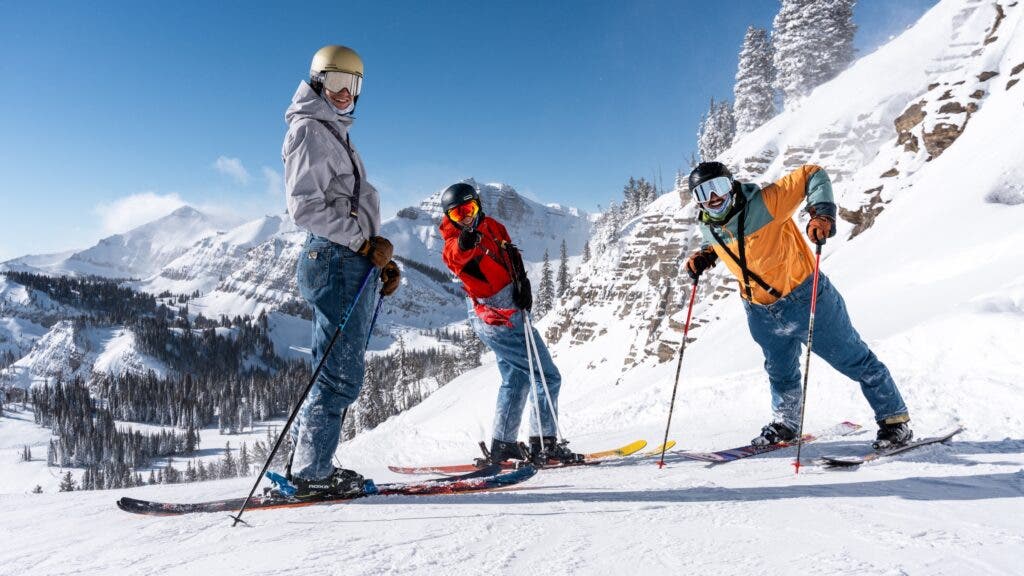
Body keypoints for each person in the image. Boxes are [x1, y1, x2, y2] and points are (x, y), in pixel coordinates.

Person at [683, 162, 912, 450]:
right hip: (759, 312)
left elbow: (812, 174)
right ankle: (785, 424)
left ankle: (894, 421)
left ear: (732, 185)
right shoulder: (709, 224)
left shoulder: (767, 202)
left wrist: (823, 214)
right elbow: (719, 241)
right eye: (703, 192)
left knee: (851, 358)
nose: (713, 197)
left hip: (805, 298)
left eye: (718, 187)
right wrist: (706, 255)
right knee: (780, 372)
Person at [282, 45, 401, 497]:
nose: (345, 94)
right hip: (334, 258)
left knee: (335, 369)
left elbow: (345, 206)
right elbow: (305, 207)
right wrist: (362, 244)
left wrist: (378, 262)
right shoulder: (310, 130)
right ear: (317, 81)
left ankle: (309, 465)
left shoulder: (332, 132)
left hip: (347, 259)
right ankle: (311, 473)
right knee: (340, 374)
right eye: (336, 83)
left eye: (354, 86)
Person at [438, 182, 582, 466]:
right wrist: (465, 240)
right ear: (449, 218)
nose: (465, 217)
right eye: (457, 214)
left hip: (509, 311)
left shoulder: (493, 226)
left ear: (478, 205)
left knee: (516, 378)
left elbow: (509, 256)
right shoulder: (455, 243)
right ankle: (544, 444)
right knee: (547, 376)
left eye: (469, 209)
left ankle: (503, 444)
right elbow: (455, 255)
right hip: (498, 319)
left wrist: (523, 284)